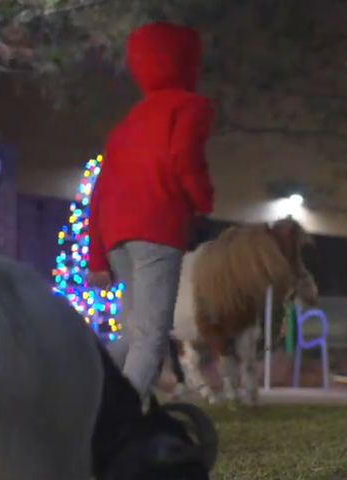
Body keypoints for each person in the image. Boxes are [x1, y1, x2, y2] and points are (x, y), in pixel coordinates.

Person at [87, 21, 215, 404]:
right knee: (153, 336)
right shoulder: (191, 105)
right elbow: (184, 158)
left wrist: (97, 257)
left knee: (134, 332)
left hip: (115, 238)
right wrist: (202, 198)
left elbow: (100, 192)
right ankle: (118, 420)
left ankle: (84, 395)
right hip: (157, 230)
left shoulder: (127, 125)